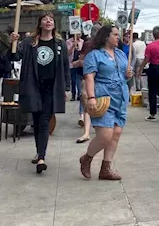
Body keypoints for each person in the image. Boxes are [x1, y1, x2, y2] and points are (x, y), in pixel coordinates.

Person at [10, 13, 71, 173]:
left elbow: (65, 66)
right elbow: (15, 56)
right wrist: (13, 43)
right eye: (45, 19)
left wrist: (66, 88)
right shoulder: (30, 42)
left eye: (51, 19)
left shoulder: (60, 44)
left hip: (52, 87)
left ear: (54, 24)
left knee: (44, 120)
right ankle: (39, 152)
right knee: (36, 121)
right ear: (40, 23)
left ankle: (42, 157)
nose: (48, 21)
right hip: (33, 86)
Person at [79, 25, 133, 181]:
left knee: (116, 134)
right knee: (105, 136)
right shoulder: (94, 55)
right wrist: (91, 97)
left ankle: (106, 168)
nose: (118, 37)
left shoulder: (121, 54)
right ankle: (87, 158)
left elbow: (124, 75)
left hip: (120, 98)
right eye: (115, 34)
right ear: (105, 36)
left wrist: (128, 75)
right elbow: (89, 77)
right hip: (104, 97)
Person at [73, 30, 98, 144]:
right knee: (87, 102)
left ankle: (91, 130)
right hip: (88, 76)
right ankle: (87, 132)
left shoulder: (107, 47)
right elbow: (82, 60)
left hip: (98, 78)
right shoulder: (89, 44)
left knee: (92, 104)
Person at [67, 34, 83, 101]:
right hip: (71, 63)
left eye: (80, 34)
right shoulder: (68, 41)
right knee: (73, 80)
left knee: (79, 79)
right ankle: (73, 95)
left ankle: (80, 94)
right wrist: (73, 46)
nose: (79, 35)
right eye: (78, 34)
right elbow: (68, 53)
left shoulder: (82, 41)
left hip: (79, 63)